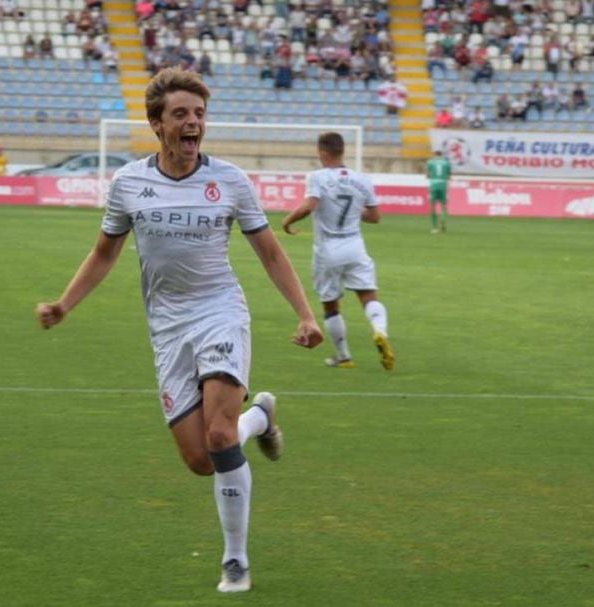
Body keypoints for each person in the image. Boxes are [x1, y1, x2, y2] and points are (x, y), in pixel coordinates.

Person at [34, 68, 323, 594]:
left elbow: (270, 251)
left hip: (220, 312)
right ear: (157, 125)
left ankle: (235, 560)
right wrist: (64, 304)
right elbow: (104, 254)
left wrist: (305, 313)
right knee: (200, 460)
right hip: (168, 326)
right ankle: (259, 417)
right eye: (180, 115)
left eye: (199, 114)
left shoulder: (231, 180)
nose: (193, 123)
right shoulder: (129, 184)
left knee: (217, 435)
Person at [280, 132, 392, 371]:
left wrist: (287, 221)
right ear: (343, 151)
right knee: (368, 296)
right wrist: (352, 211)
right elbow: (374, 216)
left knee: (330, 304)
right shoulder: (362, 179)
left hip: (328, 250)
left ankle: (344, 357)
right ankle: (380, 331)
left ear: (322, 152)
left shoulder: (317, 177)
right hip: (355, 246)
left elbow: (310, 205)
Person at [426, 149, 451, 234]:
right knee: (443, 205)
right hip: (443, 185)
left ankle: (434, 227)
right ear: (441, 155)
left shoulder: (430, 162)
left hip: (433, 185)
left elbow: (427, 175)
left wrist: (431, 175)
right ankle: (443, 218)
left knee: (432, 206)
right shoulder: (446, 163)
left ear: (434, 155)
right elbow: (448, 176)